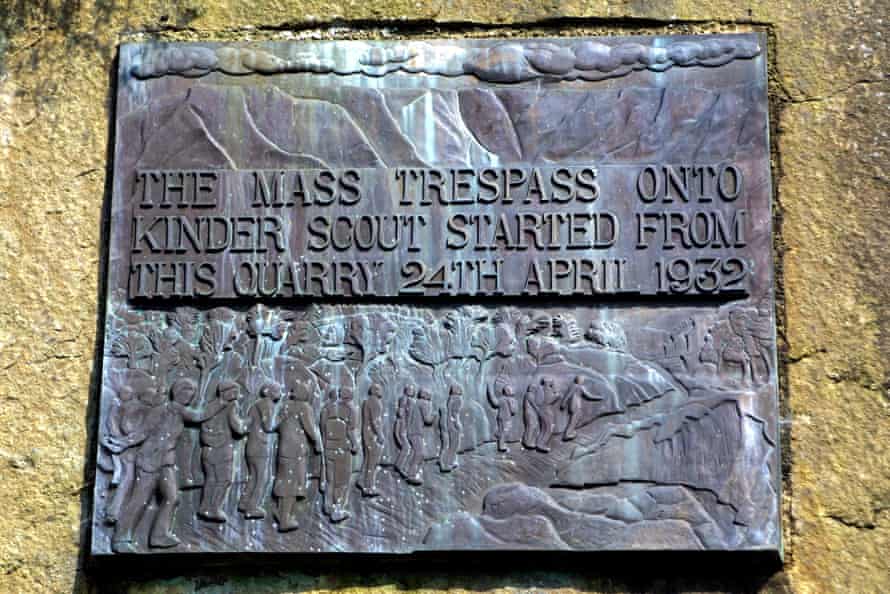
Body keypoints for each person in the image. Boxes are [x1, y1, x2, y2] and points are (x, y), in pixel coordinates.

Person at [110, 378, 206, 552]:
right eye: (186, 390)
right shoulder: (162, 410)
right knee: (140, 499)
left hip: (166, 461)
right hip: (149, 460)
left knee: (172, 497)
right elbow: (144, 431)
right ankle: (120, 538)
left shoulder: (179, 410)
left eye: (192, 392)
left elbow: (198, 416)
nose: (189, 395)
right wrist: (123, 443)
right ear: (177, 392)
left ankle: (159, 535)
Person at [194, 381, 249, 522]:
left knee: (211, 479)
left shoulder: (210, 405)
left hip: (207, 450)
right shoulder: (231, 405)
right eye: (234, 391)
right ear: (226, 392)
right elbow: (237, 427)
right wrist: (246, 424)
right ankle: (213, 509)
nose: (237, 394)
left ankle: (204, 506)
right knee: (224, 480)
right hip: (222, 449)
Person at [274, 379, 321, 532]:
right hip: (296, 450)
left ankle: (281, 512)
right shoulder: (303, 407)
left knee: (284, 479)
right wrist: (317, 442)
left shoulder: (285, 406)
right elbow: (309, 427)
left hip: (284, 448)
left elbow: (278, 424)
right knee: (292, 483)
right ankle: (285, 518)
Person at [239, 382, 282, 519]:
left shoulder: (255, 405)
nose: (279, 393)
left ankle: (244, 502)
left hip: (251, 444)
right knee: (262, 478)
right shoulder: (266, 404)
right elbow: (269, 426)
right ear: (268, 391)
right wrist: (283, 419)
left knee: (253, 476)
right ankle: (252, 507)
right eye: (276, 390)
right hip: (260, 446)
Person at [103, 383, 144, 524]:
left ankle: (116, 511)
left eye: (126, 394)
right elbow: (124, 427)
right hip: (128, 450)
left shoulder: (123, 407)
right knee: (128, 479)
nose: (123, 396)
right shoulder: (128, 408)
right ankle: (114, 512)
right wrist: (122, 440)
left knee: (129, 480)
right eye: (122, 394)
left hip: (127, 447)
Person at [320, 388, 358, 522]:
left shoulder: (326, 408)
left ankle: (327, 505)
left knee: (330, 479)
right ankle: (337, 509)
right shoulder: (349, 409)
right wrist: (355, 445)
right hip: (342, 447)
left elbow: (323, 430)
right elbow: (351, 430)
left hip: (329, 447)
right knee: (342, 481)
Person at [402, 387, 436, 484]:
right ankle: (411, 474)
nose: (430, 396)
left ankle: (405, 468)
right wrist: (435, 415)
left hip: (412, 431)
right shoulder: (423, 403)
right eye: (429, 394)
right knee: (419, 453)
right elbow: (427, 420)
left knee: (415, 452)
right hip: (416, 432)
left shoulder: (416, 402)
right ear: (425, 395)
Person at [358, 383, 385, 497]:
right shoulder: (375, 402)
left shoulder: (367, 401)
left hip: (367, 432)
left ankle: (361, 480)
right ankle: (368, 486)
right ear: (374, 391)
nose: (381, 391)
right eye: (379, 389)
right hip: (372, 434)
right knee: (373, 461)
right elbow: (375, 420)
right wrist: (379, 434)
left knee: (368, 458)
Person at [523, 376, 560, 452]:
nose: (552, 384)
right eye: (551, 383)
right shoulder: (547, 390)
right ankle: (541, 444)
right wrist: (557, 396)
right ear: (549, 383)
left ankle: (539, 443)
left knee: (544, 428)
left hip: (543, 410)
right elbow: (548, 400)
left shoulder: (540, 389)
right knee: (548, 428)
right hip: (546, 411)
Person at [560, 375, 602, 441]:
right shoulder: (579, 387)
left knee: (575, 419)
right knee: (574, 420)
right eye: (582, 380)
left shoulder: (573, 386)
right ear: (580, 380)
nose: (583, 381)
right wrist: (599, 397)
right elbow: (589, 396)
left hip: (573, 405)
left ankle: (570, 432)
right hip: (576, 405)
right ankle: (567, 434)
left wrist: (564, 402)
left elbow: (568, 395)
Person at [438, 385, 462, 472]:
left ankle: (450, 460)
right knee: (454, 444)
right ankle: (448, 462)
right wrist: (457, 424)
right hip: (452, 423)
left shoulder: (451, 398)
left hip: (448, 422)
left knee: (450, 444)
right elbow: (454, 413)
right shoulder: (457, 399)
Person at [488, 382, 517, 452]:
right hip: (506, 418)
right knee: (505, 431)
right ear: (508, 391)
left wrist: (490, 393)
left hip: (501, 417)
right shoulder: (509, 400)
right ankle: (501, 445)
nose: (512, 391)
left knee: (503, 430)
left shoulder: (502, 399)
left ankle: (498, 434)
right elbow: (513, 411)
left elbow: (495, 403)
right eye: (511, 390)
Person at [393, 384, 414, 475]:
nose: (412, 392)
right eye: (411, 390)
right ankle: (399, 465)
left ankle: (403, 465)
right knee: (407, 448)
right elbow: (402, 410)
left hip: (405, 430)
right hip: (403, 432)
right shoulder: (405, 399)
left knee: (409, 448)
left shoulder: (408, 400)